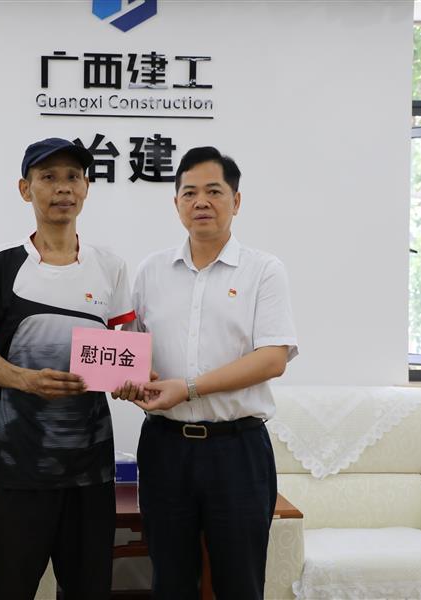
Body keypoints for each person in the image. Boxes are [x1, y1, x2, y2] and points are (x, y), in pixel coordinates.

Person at [114, 146, 298, 600]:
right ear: (176, 203)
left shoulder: (263, 270)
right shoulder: (151, 270)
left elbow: (272, 358)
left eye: (214, 191)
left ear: (236, 201)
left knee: (240, 582)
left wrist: (188, 388)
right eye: (190, 192)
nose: (201, 202)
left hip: (237, 450)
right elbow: (134, 352)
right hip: (164, 449)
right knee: (170, 580)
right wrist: (131, 381)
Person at [0, 138, 135, 600]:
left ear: (86, 188)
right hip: (20, 468)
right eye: (48, 177)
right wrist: (26, 379)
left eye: (73, 177)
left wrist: (132, 380)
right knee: (10, 589)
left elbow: (126, 350)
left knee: (88, 590)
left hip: (91, 471)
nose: (63, 188)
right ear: (25, 189)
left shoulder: (110, 267)